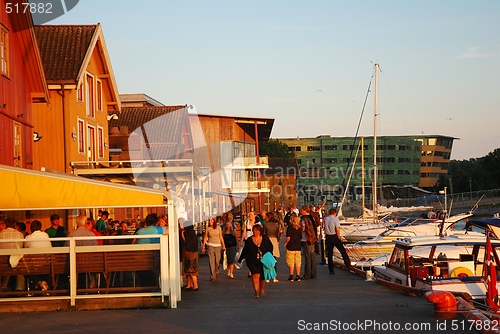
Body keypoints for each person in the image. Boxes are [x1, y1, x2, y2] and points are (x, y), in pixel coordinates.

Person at [238, 224, 273, 298]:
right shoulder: (249, 240)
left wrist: (270, 256)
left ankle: (262, 289)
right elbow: (245, 250)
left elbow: (270, 247)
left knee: (262, 276)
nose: (255, 232)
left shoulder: (265, 238)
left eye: (257, 230)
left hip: (263, 260)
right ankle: (256, 292)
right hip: (252, 260)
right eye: (254, 230)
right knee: (255, 275)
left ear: (260, 231)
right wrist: (240, 258)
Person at [24, 220, 51, 291]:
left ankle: (40, 283)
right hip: (47, 264)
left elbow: (24, 249)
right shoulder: (46, 235)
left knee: (30, 268)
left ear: (31, 228)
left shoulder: (28, 238)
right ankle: (44, 283)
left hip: (34, 265)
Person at [0, 217, 25, 291]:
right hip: (17, 263)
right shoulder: (20, 235)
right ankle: (20, 287)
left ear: (5, 225)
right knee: (17, 263)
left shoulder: (1, 235)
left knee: (8, 264)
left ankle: (4, 285)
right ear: (15, 225)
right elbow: (21, 247)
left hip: (3, 264)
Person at [324, 208, 351, 274]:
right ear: (335, 213)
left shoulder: (325, 219)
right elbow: (337, 229)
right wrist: (338, 237)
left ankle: (331, 270)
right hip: (334, 236)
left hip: (328, 237)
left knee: (330, 254)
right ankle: (348, 265)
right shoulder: (335, 219)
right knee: (342, 251)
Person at [202, 217, 226, 282]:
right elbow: (205, 237)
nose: (210, 221)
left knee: (217, 261)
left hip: (218, 245)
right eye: (209, 220)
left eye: (211, 220)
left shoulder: (218, 228)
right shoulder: (208, 229)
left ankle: (216, 271)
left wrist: (223, 245)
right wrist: (203, 246)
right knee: (211, 261)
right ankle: (213, 275)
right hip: (210, 245)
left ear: (214, 221)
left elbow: (221, 237)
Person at [300, 206, 318, 279]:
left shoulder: (304, 218)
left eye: (301, 210)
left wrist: (298, 227)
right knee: (312, 256)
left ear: (304, 210)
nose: (300, 211)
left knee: (307, 257)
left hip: (306, 239)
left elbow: (303, 229)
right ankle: (313, 273)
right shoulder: (311, 217)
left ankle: (307, 274)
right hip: (312, 239)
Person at [284, 214, 302, 281]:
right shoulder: (299, 228)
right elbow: (300, 237)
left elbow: (288, 237)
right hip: (298, 246)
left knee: (290, 261)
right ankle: (298, 276)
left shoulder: (290, 227)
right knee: (298, 262)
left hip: (291, 246)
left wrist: (285, 243)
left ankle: (291, 275)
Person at [263, 211, 280, 282]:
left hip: (267, 240)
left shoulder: (265, 225)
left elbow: (264, 234)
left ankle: (267, 277)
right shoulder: (276, 225)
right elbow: (278, 234)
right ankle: (274, 277)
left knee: (266, 259)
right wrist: (278, 241)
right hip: (274, 240)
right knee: (274, 259)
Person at [181, 221, 199, 291]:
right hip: (193, 253)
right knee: (191, 270)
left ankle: (194, 285)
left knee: (190, 270)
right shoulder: (194, 234)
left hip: (188, 253)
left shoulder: (187, 234)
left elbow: (187, 243)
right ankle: (190, 284)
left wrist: (183, 237)